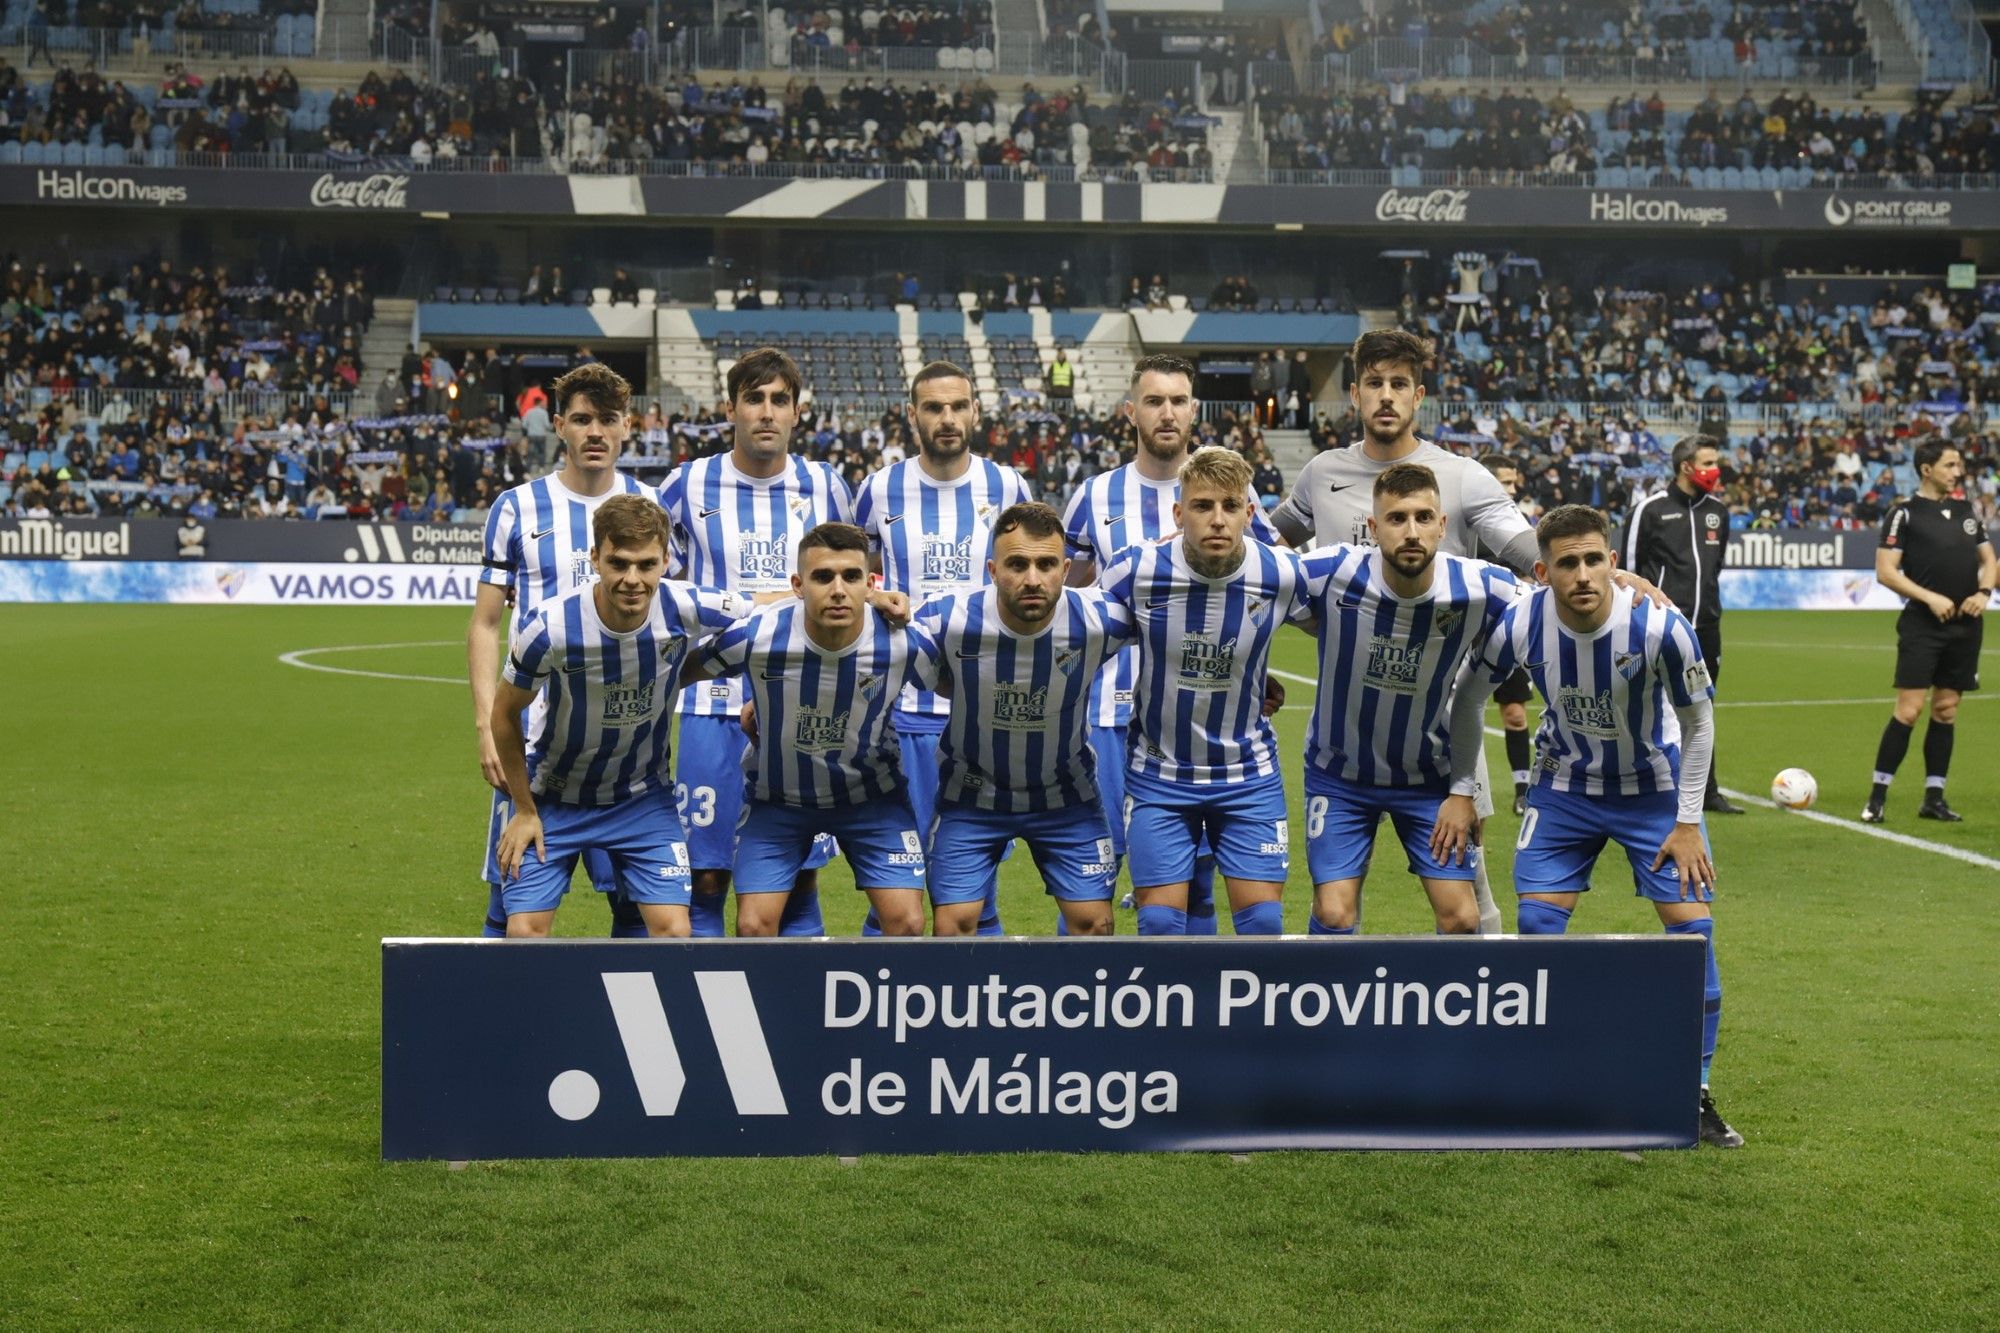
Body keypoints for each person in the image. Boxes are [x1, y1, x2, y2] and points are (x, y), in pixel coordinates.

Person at [1271, 329, 1669, 933]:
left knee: (1471, 899)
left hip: (1445, 715)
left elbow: (1530, 551)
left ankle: (1489, 1005)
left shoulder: (1462, 477)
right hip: (1347, 716)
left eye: (1399, 385)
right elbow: (1268, 556)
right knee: (1334, 907)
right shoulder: (1322, 472)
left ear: (1419, 395)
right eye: (1374, 384)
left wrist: (1615, 574)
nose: (1386, 396)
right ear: (1354, 394)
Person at [1441, 504, 1741, 1149]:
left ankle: (1694, 1090)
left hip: (1654, 793)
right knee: (1542, 928)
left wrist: (1689, 821)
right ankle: (1549, 1079)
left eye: (1594, 559)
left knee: (1693, 938)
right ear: (1543, 571)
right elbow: (1466, 699)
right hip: (1564, 789)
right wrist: (1463, 790)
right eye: (1568, 563)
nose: (1583, 574)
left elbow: (1698, 724)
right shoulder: (1519, 620)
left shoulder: (1661, 627)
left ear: (1613, 561)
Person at [1062, 354, 1278, 931]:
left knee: (1198, 883)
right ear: (1130, 411)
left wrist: (1256, 669)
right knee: (1093, 874)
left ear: (1194, 410)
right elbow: (1072, 602)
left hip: (1206, 729)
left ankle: (1188, 1010)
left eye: (1178, 400)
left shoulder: (1234, 497)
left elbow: (1270, 581)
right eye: (1154, 401)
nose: (1167, 412)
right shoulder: (1094, 497)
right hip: (1109, 718)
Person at [487, 495, 748, 938]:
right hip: (554, 796)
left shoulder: (686, 606)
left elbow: (770, 614)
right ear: (595, 557)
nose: (632, 579)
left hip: (642, 799)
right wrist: (525, 809)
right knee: (524, 935)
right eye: (618, 563)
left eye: (646, 565)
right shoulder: (549, 626)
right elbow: (504, 715)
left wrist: (871, 597)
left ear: (666, 560)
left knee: (674, 934)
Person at [656, 348, 852, 936]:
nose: (766, 412)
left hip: (801, 705)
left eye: (779, 400)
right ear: (730, 408)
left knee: (797, 874)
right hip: (709, 705)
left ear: (797, 412)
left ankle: (797, 1013)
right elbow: (661, 594)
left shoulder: (826, 486)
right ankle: (707, 1007)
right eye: (754, 398)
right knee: (706, 875)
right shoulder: (686, 484)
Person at [467, 362, 654, 941]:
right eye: (581, 419)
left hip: (626, 742)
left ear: (628, 428)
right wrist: (484, 725)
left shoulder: (650, 505)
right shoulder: (517, 507)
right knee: (513, 894)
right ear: (558, 427)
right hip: (534, 741)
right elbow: (484, 623)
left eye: (607, 419)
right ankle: (500, 1025)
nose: (594, 431)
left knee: (636, 907)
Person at [1098, 447, 1312, 936]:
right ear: (1179, 512)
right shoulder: (1136, 571)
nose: (1217, 520)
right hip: (1159, 775)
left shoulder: (1280, 573)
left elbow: (1345, 623)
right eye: (1202, 506)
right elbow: (1080, 636)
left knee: (1262, 925)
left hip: (1248, 777)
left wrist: (1259, 674)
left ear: (1249, 513)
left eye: (1230, 506)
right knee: (1159, 925)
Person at [685, 524, 938, 936]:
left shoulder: (905, 643)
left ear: (870, 584)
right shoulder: (757, 635)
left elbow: (954, 687)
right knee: (753, 926)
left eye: (851, 577)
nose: (838, 589)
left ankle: (869, 998)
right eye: (823, 577)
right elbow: (679, 674)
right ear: (798, 585)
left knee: (907, 923)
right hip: (777, 800)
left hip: (872, 798)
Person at [1299, 464, 1520, 936]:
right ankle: (1328, 1008)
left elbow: (1553, 603)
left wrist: (1624, 581)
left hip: (1428, 780)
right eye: (1397, 519)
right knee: (1335, 913)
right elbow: (1248, 585)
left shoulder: (1482, 587)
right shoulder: (1332, 571)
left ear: (1443, 525)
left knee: (1462, 919)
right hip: (1340, 776)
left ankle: (1456, 1010)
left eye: (1424, 517)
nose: (1412, 532)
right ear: (1373, 529)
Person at [852, 361, 1032, 936]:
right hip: (901, 713)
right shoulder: (879, 489)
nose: (947, 419)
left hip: (983, 714)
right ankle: (877, 1012)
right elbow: (854, 578)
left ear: (976, 412)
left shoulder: (1009, 487)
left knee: (974, 894)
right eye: (934, 408)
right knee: (895, 896)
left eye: (958, 407)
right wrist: (879, 599)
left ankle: (980, 1011)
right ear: (913, 415)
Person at [917, 503, 1132, 935]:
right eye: (1017, 564)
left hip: (1067, 797)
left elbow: (1176, 634)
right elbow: (871, 652)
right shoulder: (947, 618)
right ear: (994, 570)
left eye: (1046, 564)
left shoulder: (1100, 620)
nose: (1033, 579)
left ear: (1066, 568)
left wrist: (1256, 679)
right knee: (952, 930)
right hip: (971, 796)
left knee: (1095, 926)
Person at [1863, 440, 1996, 823]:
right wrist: (1931, 598)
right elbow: (1886, 571)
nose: (1958, 471)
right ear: (1927, 469)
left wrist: (1984, 592)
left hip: (1966, 626)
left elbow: (1990, 560)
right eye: (1950, 464)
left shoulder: (1966, 511)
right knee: (1909, 709)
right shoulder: (1903, 513)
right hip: (1924, 624)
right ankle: (1877, 797)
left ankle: (1933, 798)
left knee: (1947, 710)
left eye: (1959, 464)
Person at [1623, 436, 1741, 814]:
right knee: (1654, 705)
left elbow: (1715, 566)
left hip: (1707, 625)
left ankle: (1707, 791)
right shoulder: (1649, 510)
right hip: (1660, 626)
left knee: (1702, 708)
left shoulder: (1718, 512)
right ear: (1686, 466)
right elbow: (1627, 569)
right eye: (1708, 462)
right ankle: (1646, 785)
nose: (1715, 470)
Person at [1476, 453, 1536, 814]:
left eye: (1515, 483)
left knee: (1514, 714)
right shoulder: (1463, 525)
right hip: (1462, 634)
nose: (1512, 491)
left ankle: (1522, 787)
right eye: (1505, 483)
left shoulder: (1520, 527)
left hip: (1508, 633)